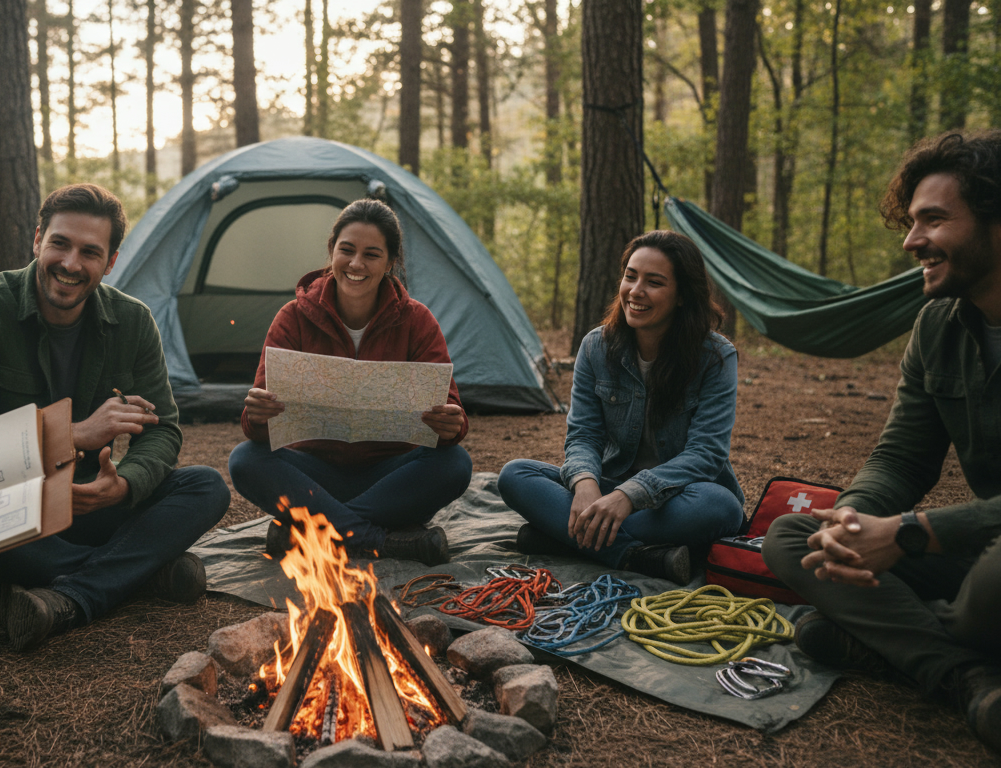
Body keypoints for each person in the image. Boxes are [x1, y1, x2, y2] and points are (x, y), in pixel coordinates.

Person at [762, 131, 1001, 751]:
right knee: (793, 537)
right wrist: (848, 522)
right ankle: (964, 677)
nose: (911, 240)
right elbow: (901, 458)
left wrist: (910, 532)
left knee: (990, 589)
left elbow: (915, 528)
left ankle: (891, 641)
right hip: (976, 545)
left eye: (934, 220)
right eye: (912, 221)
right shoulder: (938, 326)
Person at [0, 183, 230, 653]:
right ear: (37, 239)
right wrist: (71, 433)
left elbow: (161, 428)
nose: (70, 263)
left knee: (205, 486)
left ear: (111, 262)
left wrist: (124, 485)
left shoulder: (133, 322)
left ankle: (72, 591)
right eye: (60, 243)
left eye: (90, 252)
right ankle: (138, 573)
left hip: (86, 503)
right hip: (2, 503)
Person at [227, 198, 472, 567]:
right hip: (315, 474)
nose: (356, 264)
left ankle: (311, 531)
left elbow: (452, 419)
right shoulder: (293, 318)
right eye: (347, 250)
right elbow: (256, 428)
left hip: (390, 478)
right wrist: (258, 415)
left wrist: (451, 425)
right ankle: (377, 539)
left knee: (455, 464)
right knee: (245, 460)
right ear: (331, 251)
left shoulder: (417, 320)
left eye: (372, 254)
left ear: (391, 262)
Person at [497, 230, 743, 585]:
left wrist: (629, 496)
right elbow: (583, 434)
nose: (635, 291)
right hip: (609, 484)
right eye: (630, 276)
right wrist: (585, 485)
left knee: (721, 507)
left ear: (682, 296)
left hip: (677, 495)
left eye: (654, 282)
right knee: (515, 475)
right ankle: (635, 556)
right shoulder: (596, 347)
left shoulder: (716, 356)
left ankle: (564, 537)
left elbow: (706, 454)